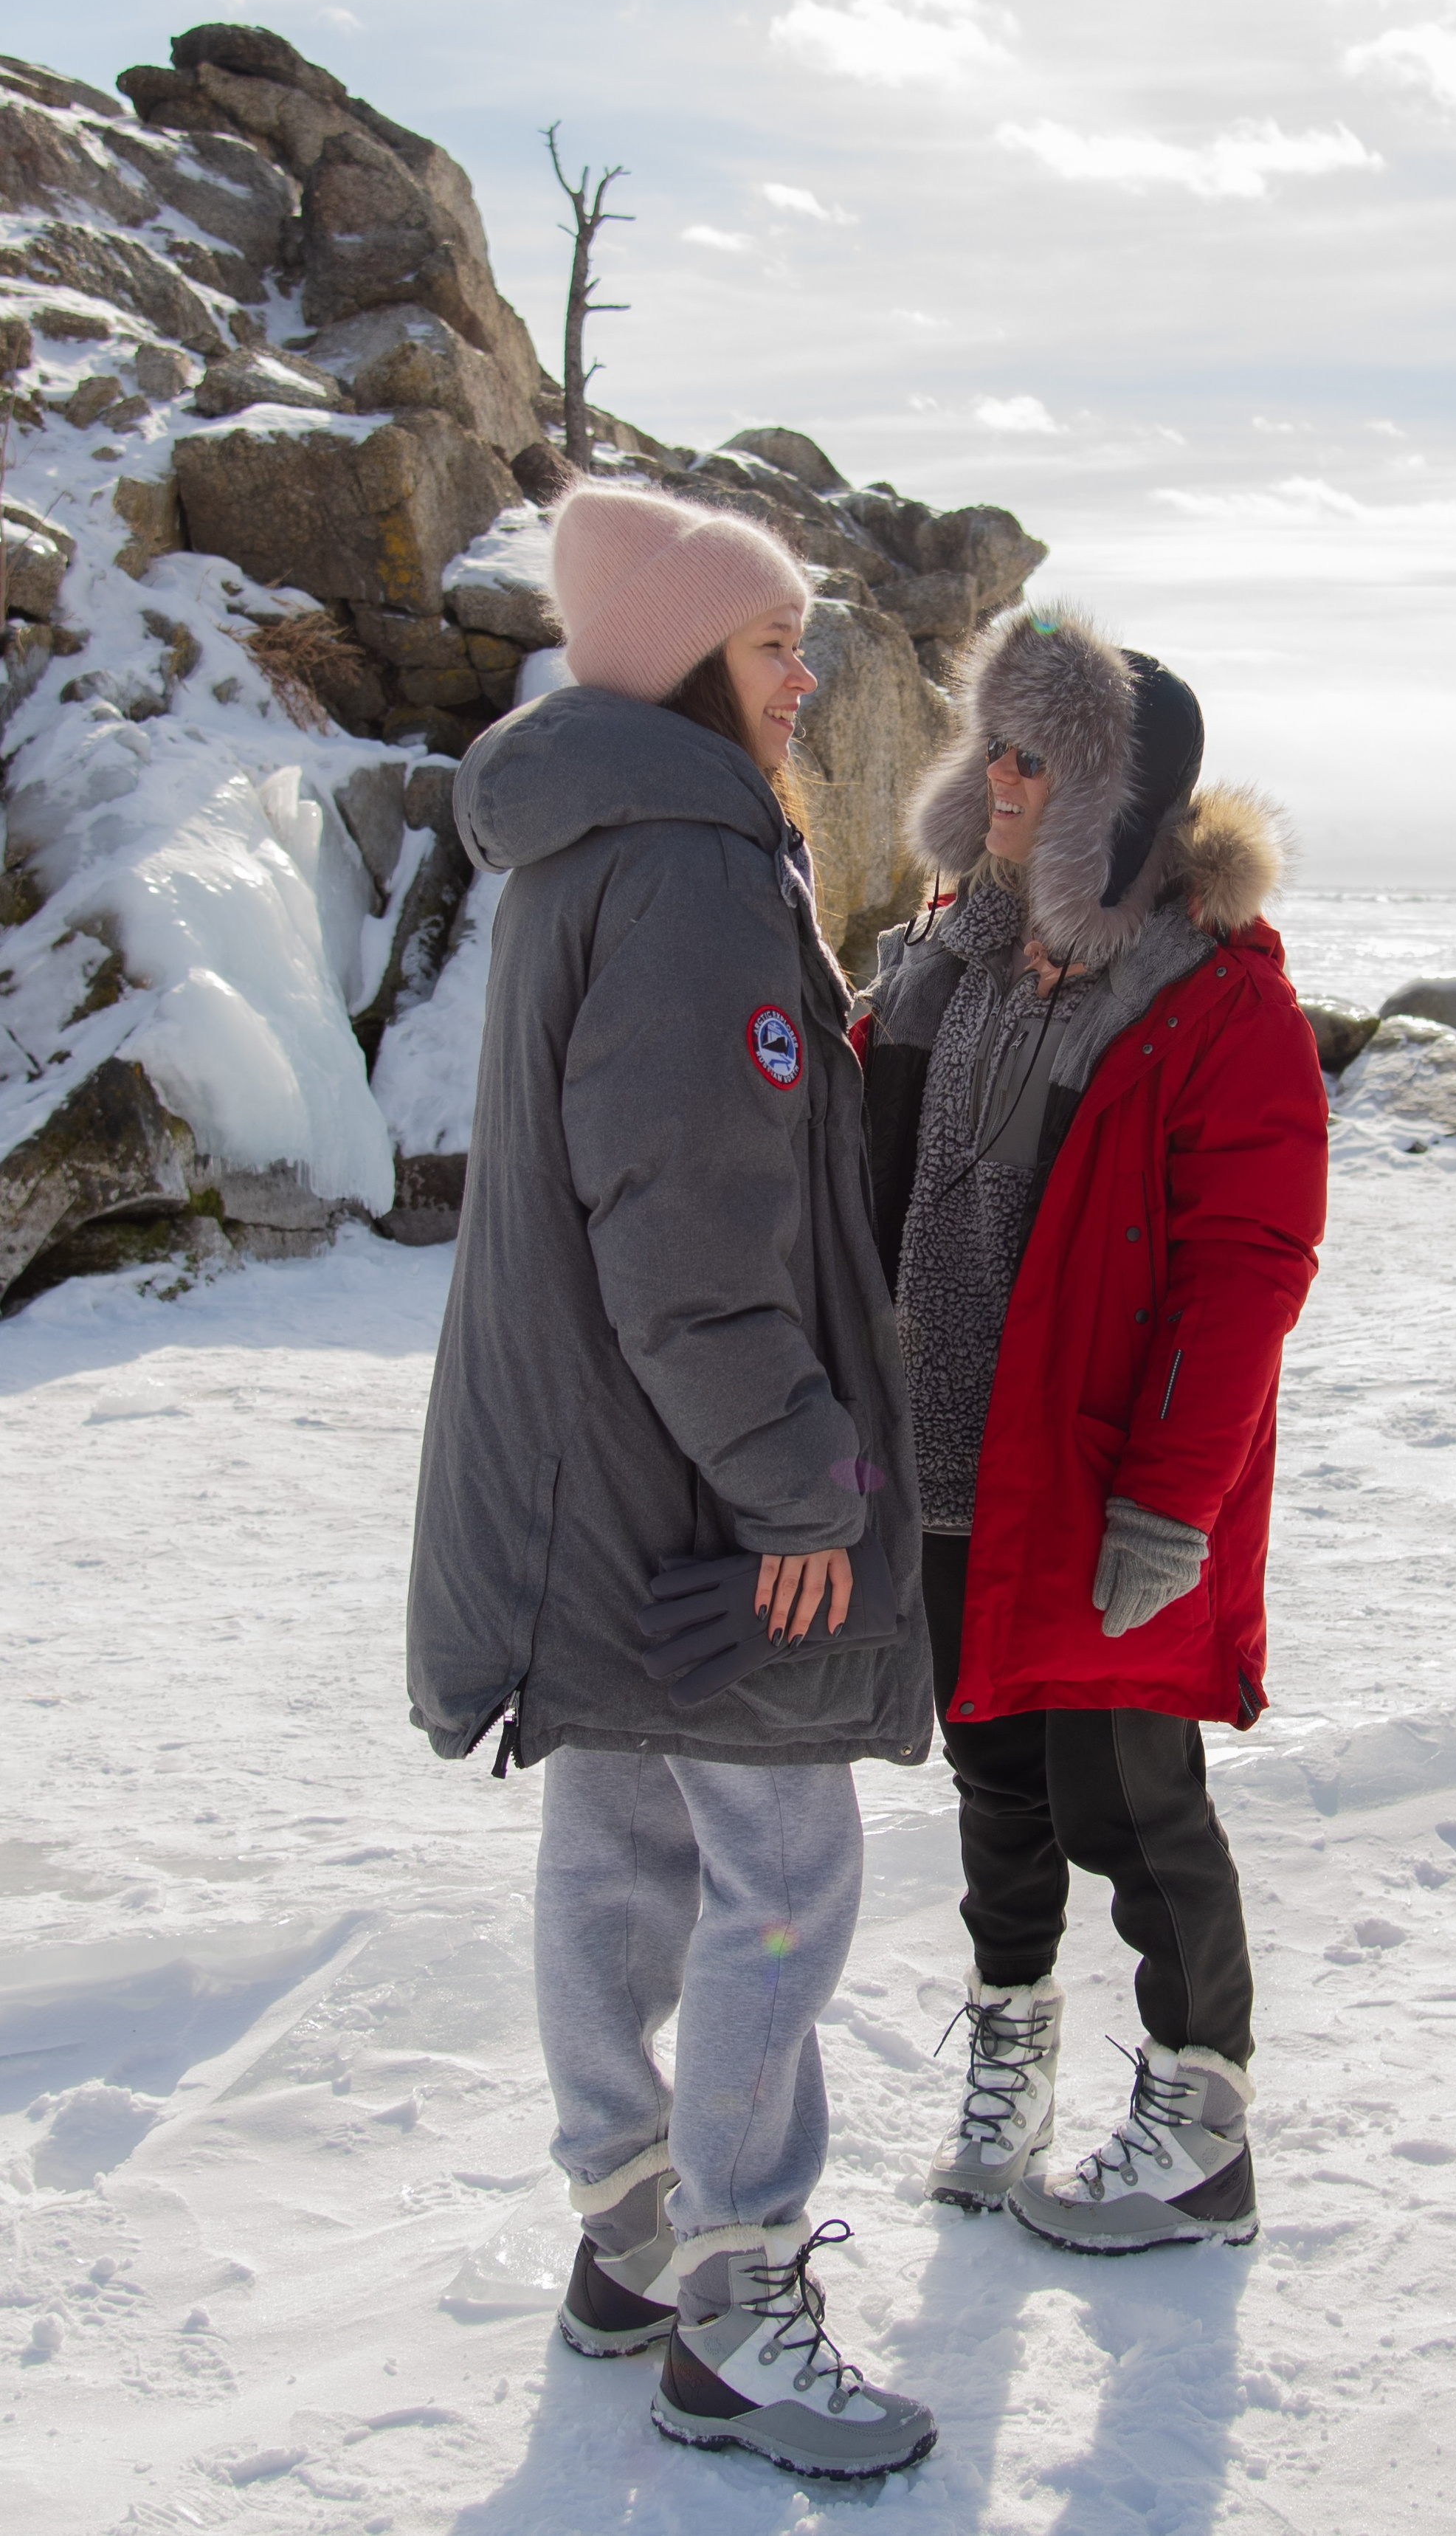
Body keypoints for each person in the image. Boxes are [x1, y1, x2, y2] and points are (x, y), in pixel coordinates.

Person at [407, 483, 936, 2479]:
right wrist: (804, 1485)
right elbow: (687, 1223)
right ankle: (735, 2288)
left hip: (593, 1489)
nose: (807, 673)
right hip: (707, 1498)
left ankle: (630, 2233)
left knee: (625, 1848)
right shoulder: (699, 871)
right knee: (783, 1880)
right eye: (777, 640)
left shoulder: (583, 848)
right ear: (692, 661)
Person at [858, 604, 1328, 2254]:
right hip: (941, 1455)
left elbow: (1243, 1274)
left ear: (1114, 801)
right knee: (994, 1778)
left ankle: (1199, 2124)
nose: (994, 774)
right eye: (991, 741)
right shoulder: (950, 952)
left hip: (1097, 1480)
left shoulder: (1215, 1006)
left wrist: (1167, 1508)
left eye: (1033, 752)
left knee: (1132, 1799)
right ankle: (1012, 2065)